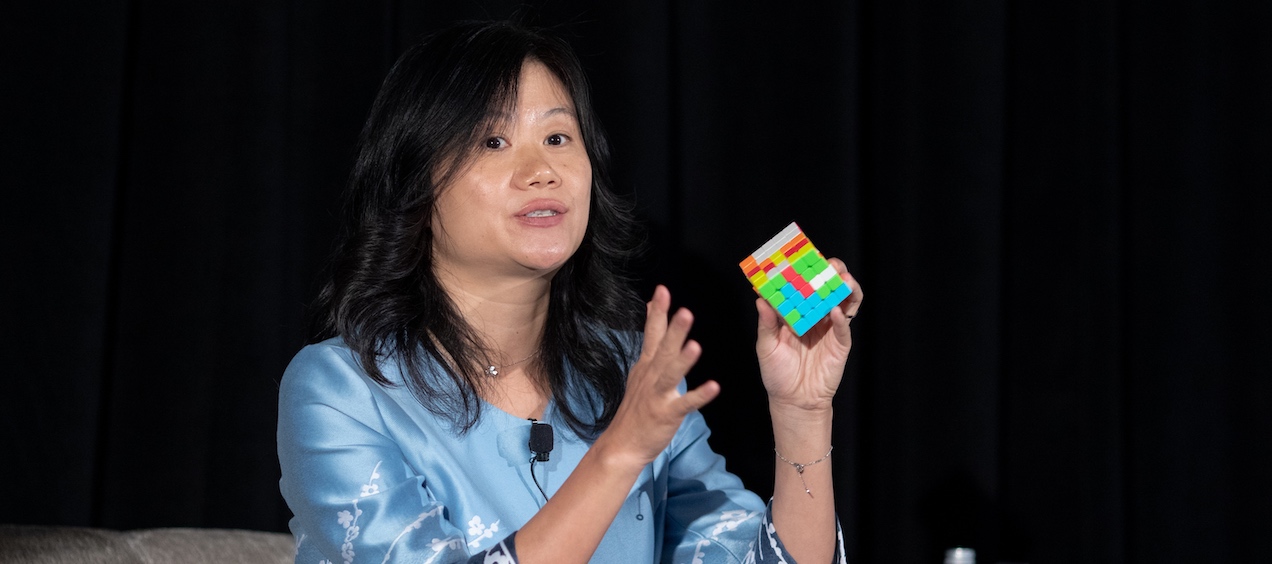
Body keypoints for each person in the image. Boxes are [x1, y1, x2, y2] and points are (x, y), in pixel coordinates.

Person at [277, 20, 861, 564]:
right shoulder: (341, 391)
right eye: (492, 142)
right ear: (415, 184)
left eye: (558, 136)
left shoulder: (635, 370)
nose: (541, 169)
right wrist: (620, 452)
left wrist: (801, 412)